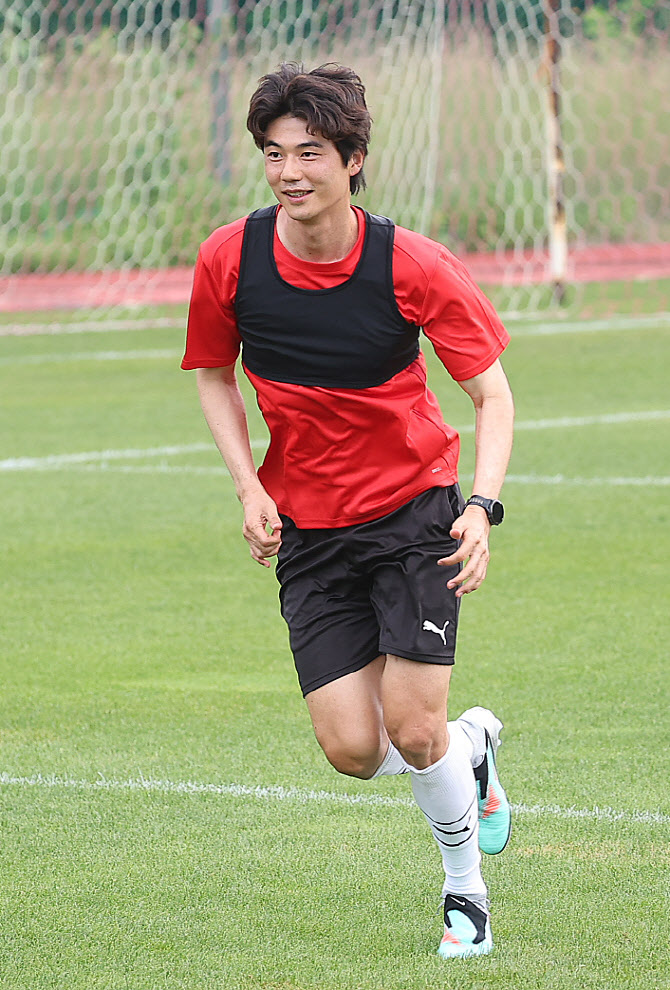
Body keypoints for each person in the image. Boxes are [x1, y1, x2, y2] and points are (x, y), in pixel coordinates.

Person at [182, 62, 515, 959]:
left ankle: (465, 893)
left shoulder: (412, 263)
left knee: (412, 728)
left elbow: (492, 395)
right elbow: (213, 374)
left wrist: (481, 507)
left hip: (414, 518)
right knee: (354, 751)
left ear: (353, 159)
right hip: (310, 530)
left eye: (310, 154)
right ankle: (474, 747)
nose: (289, 172)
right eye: (274, 154)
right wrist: (249, 485)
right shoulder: (230, 258)